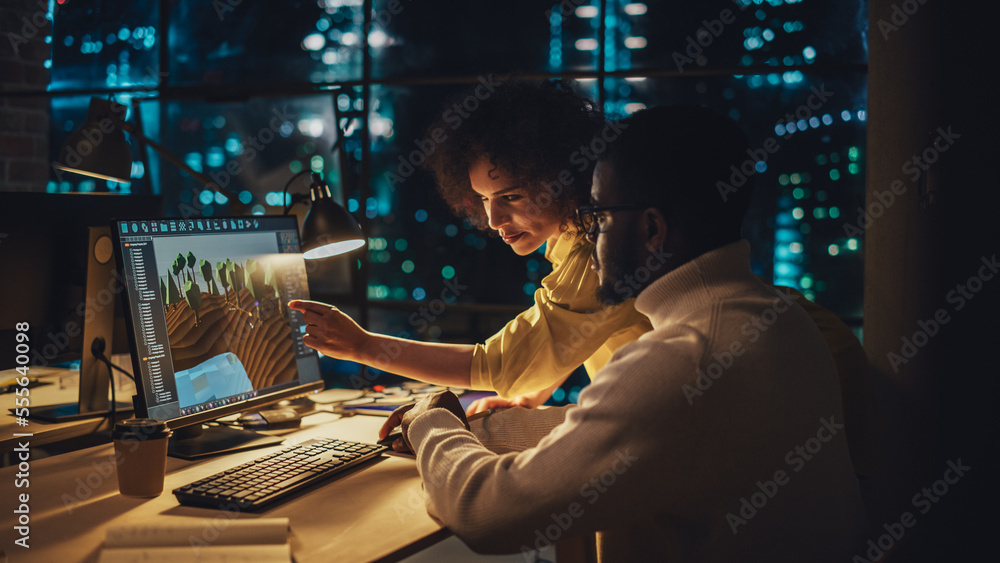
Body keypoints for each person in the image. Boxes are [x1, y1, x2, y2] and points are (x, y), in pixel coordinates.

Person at [379, 105, 866, 560]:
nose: (589, 237)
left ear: (651, 229)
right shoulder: (780, 318)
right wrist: (488, 429)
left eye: (597, 217)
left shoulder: (681, 356)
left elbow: (484, 513)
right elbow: (652, 428)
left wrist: (430, 421)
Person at [290, 79, 651, 407]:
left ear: (563, 180)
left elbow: (499, 364)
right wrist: (526, 401)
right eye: (483, 199)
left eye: (511, 196)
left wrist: (364, 347)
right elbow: (568, 334)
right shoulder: (573, 236)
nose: (493, 221)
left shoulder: (599, 253)